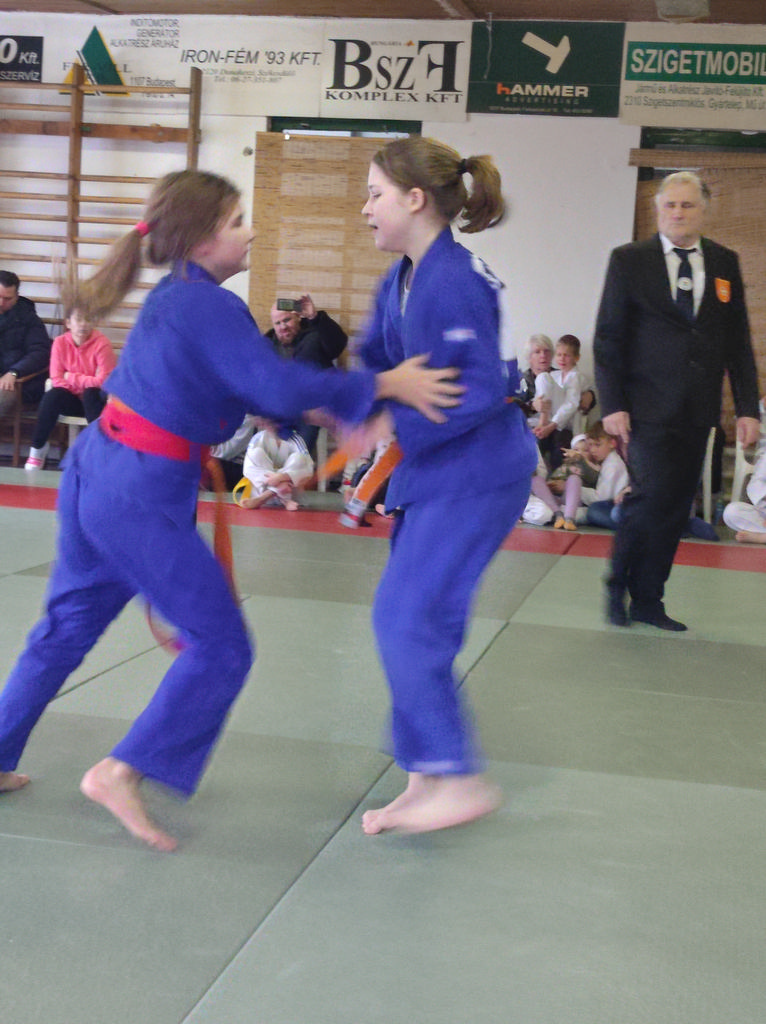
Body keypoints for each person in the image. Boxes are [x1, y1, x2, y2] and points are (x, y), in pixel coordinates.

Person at [0, 169, 462, 852]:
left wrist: (346, 407)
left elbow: (257, 388)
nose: (250, 232)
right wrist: (385, 384)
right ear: (202, 237)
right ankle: (122, 771)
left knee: (65, 627)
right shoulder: (205, 304)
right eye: (238, 221)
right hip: (138, 489)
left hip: (101, 471)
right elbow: (273, 385)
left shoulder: (180, 297)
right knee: (221, 646)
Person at [357, 136, 538, 836]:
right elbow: (376, 358)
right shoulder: (401, 276)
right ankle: (426, 776)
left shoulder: (457, 279)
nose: (366, 208)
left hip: (476, 471)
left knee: (407, 620)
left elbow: (478, 389)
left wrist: (388, 418)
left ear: (414, 199)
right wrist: (359, 401)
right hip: (434, 472)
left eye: (375, 194)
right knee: (409, 618)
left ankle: (457, 777)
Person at [594, 170, 761, 630]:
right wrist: (612, 403)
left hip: (698, 408)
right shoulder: (629, 260)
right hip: (643, 407)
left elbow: (737, 342)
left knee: (675, 507)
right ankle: (617, 585)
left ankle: (649, 600)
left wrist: (747, 407)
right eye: (670, 205)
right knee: (648, 497)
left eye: (688, 205)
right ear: (658, 210)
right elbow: (608, 338)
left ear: (704, 210)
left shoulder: (724, 262)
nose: (678, 213)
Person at [25, 304, 116, 471]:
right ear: (68, 323)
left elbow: (104, 382)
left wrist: (72, 377)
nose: (83, 324)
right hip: (71, 400)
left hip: (96, 402)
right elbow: (57, 378)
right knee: (53, 395)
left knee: (90, 393)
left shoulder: (102, 344)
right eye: (78, 319)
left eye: (88, 320)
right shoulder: (60, 342)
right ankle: (37, 450)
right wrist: (87, 380)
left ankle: (99, 449)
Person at [267, 294, 348, 454]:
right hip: (283, 405)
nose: (283, 327)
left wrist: (315, 317)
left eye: (287, 320)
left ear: (298, 317)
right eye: (278, 323)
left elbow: (338, 345)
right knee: (265, 445)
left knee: (298, 451)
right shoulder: (269, 343)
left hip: (313, 405)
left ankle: (295, 465)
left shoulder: (315, 335)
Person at [0, 269, 51, 415]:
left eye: (7, 299)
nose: (1, 303)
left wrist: (14, 372)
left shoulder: (29, 319)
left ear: (16, 297)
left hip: (14, 381)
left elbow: (40, 352)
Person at [235, 423, 313, 511]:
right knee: (256, 453)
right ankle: (284, 499)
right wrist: (280, 483)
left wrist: (282, 477)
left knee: (299, 458)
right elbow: (248, 469)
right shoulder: (258, 438)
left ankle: (265, 496)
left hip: (291, 494)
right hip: (264, 489)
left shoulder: (296, 439)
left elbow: (308, 469)